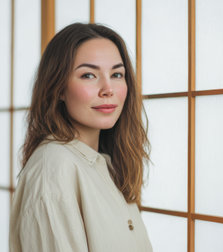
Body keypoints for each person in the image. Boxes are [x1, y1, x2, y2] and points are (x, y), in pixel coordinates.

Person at [9, 23, 152, 252]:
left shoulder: (105, 164)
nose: (108, 89)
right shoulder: (54, 169)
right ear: (58, 88)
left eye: (116, 74)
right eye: (88, 75)